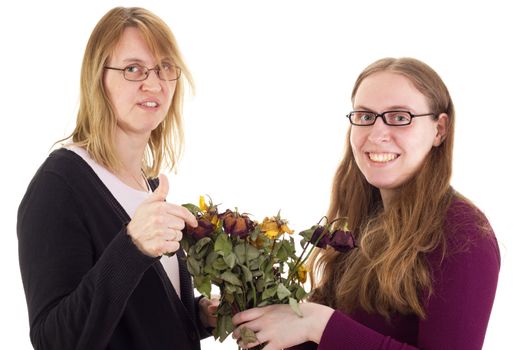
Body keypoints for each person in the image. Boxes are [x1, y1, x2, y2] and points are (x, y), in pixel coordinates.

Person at [231, 57, 500, 349]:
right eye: (365, 116)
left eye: (400, 117)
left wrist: (318, 324)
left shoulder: (464, 234)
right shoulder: (362, 218)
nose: (377, 134)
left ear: (439, 130)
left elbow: (328, 331)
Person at [17, 7, 217, 350]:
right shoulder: (58, 187)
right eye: (133, 69)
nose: (153, 83)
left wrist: (200, 314)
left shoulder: (148, 185)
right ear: (98, 79)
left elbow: (137, 317)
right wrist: (132, 247)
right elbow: (55, 340)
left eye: (165, 68)